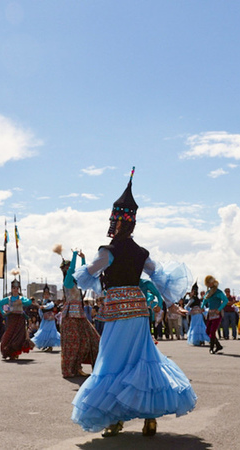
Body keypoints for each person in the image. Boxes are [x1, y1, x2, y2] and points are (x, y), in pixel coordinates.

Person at [71, 169, 196, 437]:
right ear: (133, 225)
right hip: (138, 312)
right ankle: (149, 418)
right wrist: (171, 303)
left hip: (117, 313)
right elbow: (160, 277)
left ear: (115, 223)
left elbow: (86, 274)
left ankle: (115, 419)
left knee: (113, 361)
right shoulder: (141, 252)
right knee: (141, 359)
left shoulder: (109, 251)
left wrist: (81, 265)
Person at [59, 250, 100, 378]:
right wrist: (74, 256)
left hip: (80, 315)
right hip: (70, 316)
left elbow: (84, 273)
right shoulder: (67, 282)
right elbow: (72, 271)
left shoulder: (76, 283)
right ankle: (73, 369)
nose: (69, 270)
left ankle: (83, 367)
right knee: (73, 343)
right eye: (67, 268)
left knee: (92, 338)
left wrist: (83, 259)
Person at [0, 279, 34, 360]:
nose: (15, 290)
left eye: (17, 288)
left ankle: (15, 353)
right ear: (11, 289)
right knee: (9, 334)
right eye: (14, 288)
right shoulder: (8, 299)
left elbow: (29, 302)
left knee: (19, 336)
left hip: (20, 319)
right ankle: (8, 351)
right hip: (11, 318)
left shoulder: (21, 298)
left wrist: (22, 302)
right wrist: (3, 313)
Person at [202, 275, 228, 354]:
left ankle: (211, 348)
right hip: (210, 313)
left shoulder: (218, 292)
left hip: (217, 314)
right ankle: (218, 345)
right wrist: (202, 307)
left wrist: (219, 309)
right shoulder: (208, 292)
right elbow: (204, 300)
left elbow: (225, 300)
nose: (208, 285)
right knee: (207, 331)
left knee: (212, 331)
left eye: (209, 283)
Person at [31, 286, 61, 351]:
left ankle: (50, 346)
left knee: (50, 331)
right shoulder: (42, 302)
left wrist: (43, 307)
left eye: (47, 294)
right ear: (43, 295)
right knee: (43, 331)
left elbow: (50, 305)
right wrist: (41, 312)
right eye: (45, 294)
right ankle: (46, 345)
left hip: (50, 320)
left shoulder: (50, 302)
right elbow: (40, 311)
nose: (46, 296)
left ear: (49, 295)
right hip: (45, 319)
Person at [186, 282, 210, 346]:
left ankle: (198, 340)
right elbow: (202, 306)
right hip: (199, 315)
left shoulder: (192, 299)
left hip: (195, 315)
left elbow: (187, 306)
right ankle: (201, 340)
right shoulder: (198, 299)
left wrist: (190, 311)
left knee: (195, 327)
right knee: (200, 327)